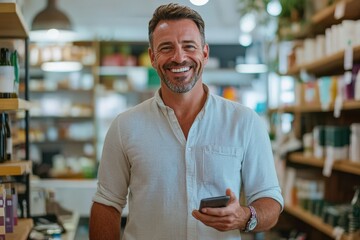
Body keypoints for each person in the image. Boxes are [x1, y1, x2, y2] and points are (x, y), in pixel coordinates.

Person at [89, 3, 284, 240]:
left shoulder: (245, 122)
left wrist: (245, 216)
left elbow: (270, 202)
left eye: (189, 46)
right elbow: (107, 204)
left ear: (205, 52)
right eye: (166, 47)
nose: (179, 57)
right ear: (152, 57)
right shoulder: (124, 127)